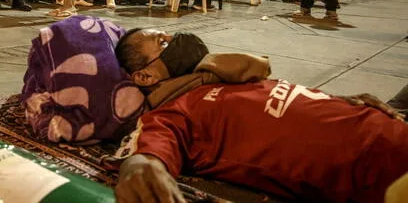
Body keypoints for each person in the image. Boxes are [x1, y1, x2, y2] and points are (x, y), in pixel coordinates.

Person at [113, 28, 408, 203]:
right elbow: (148, 155)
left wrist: (336, 100)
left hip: (382, 120)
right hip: (381, 165)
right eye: (162, 42)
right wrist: (140, 169)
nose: (176, 38)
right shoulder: (174, 113)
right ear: (145, 76)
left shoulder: (219, 77)